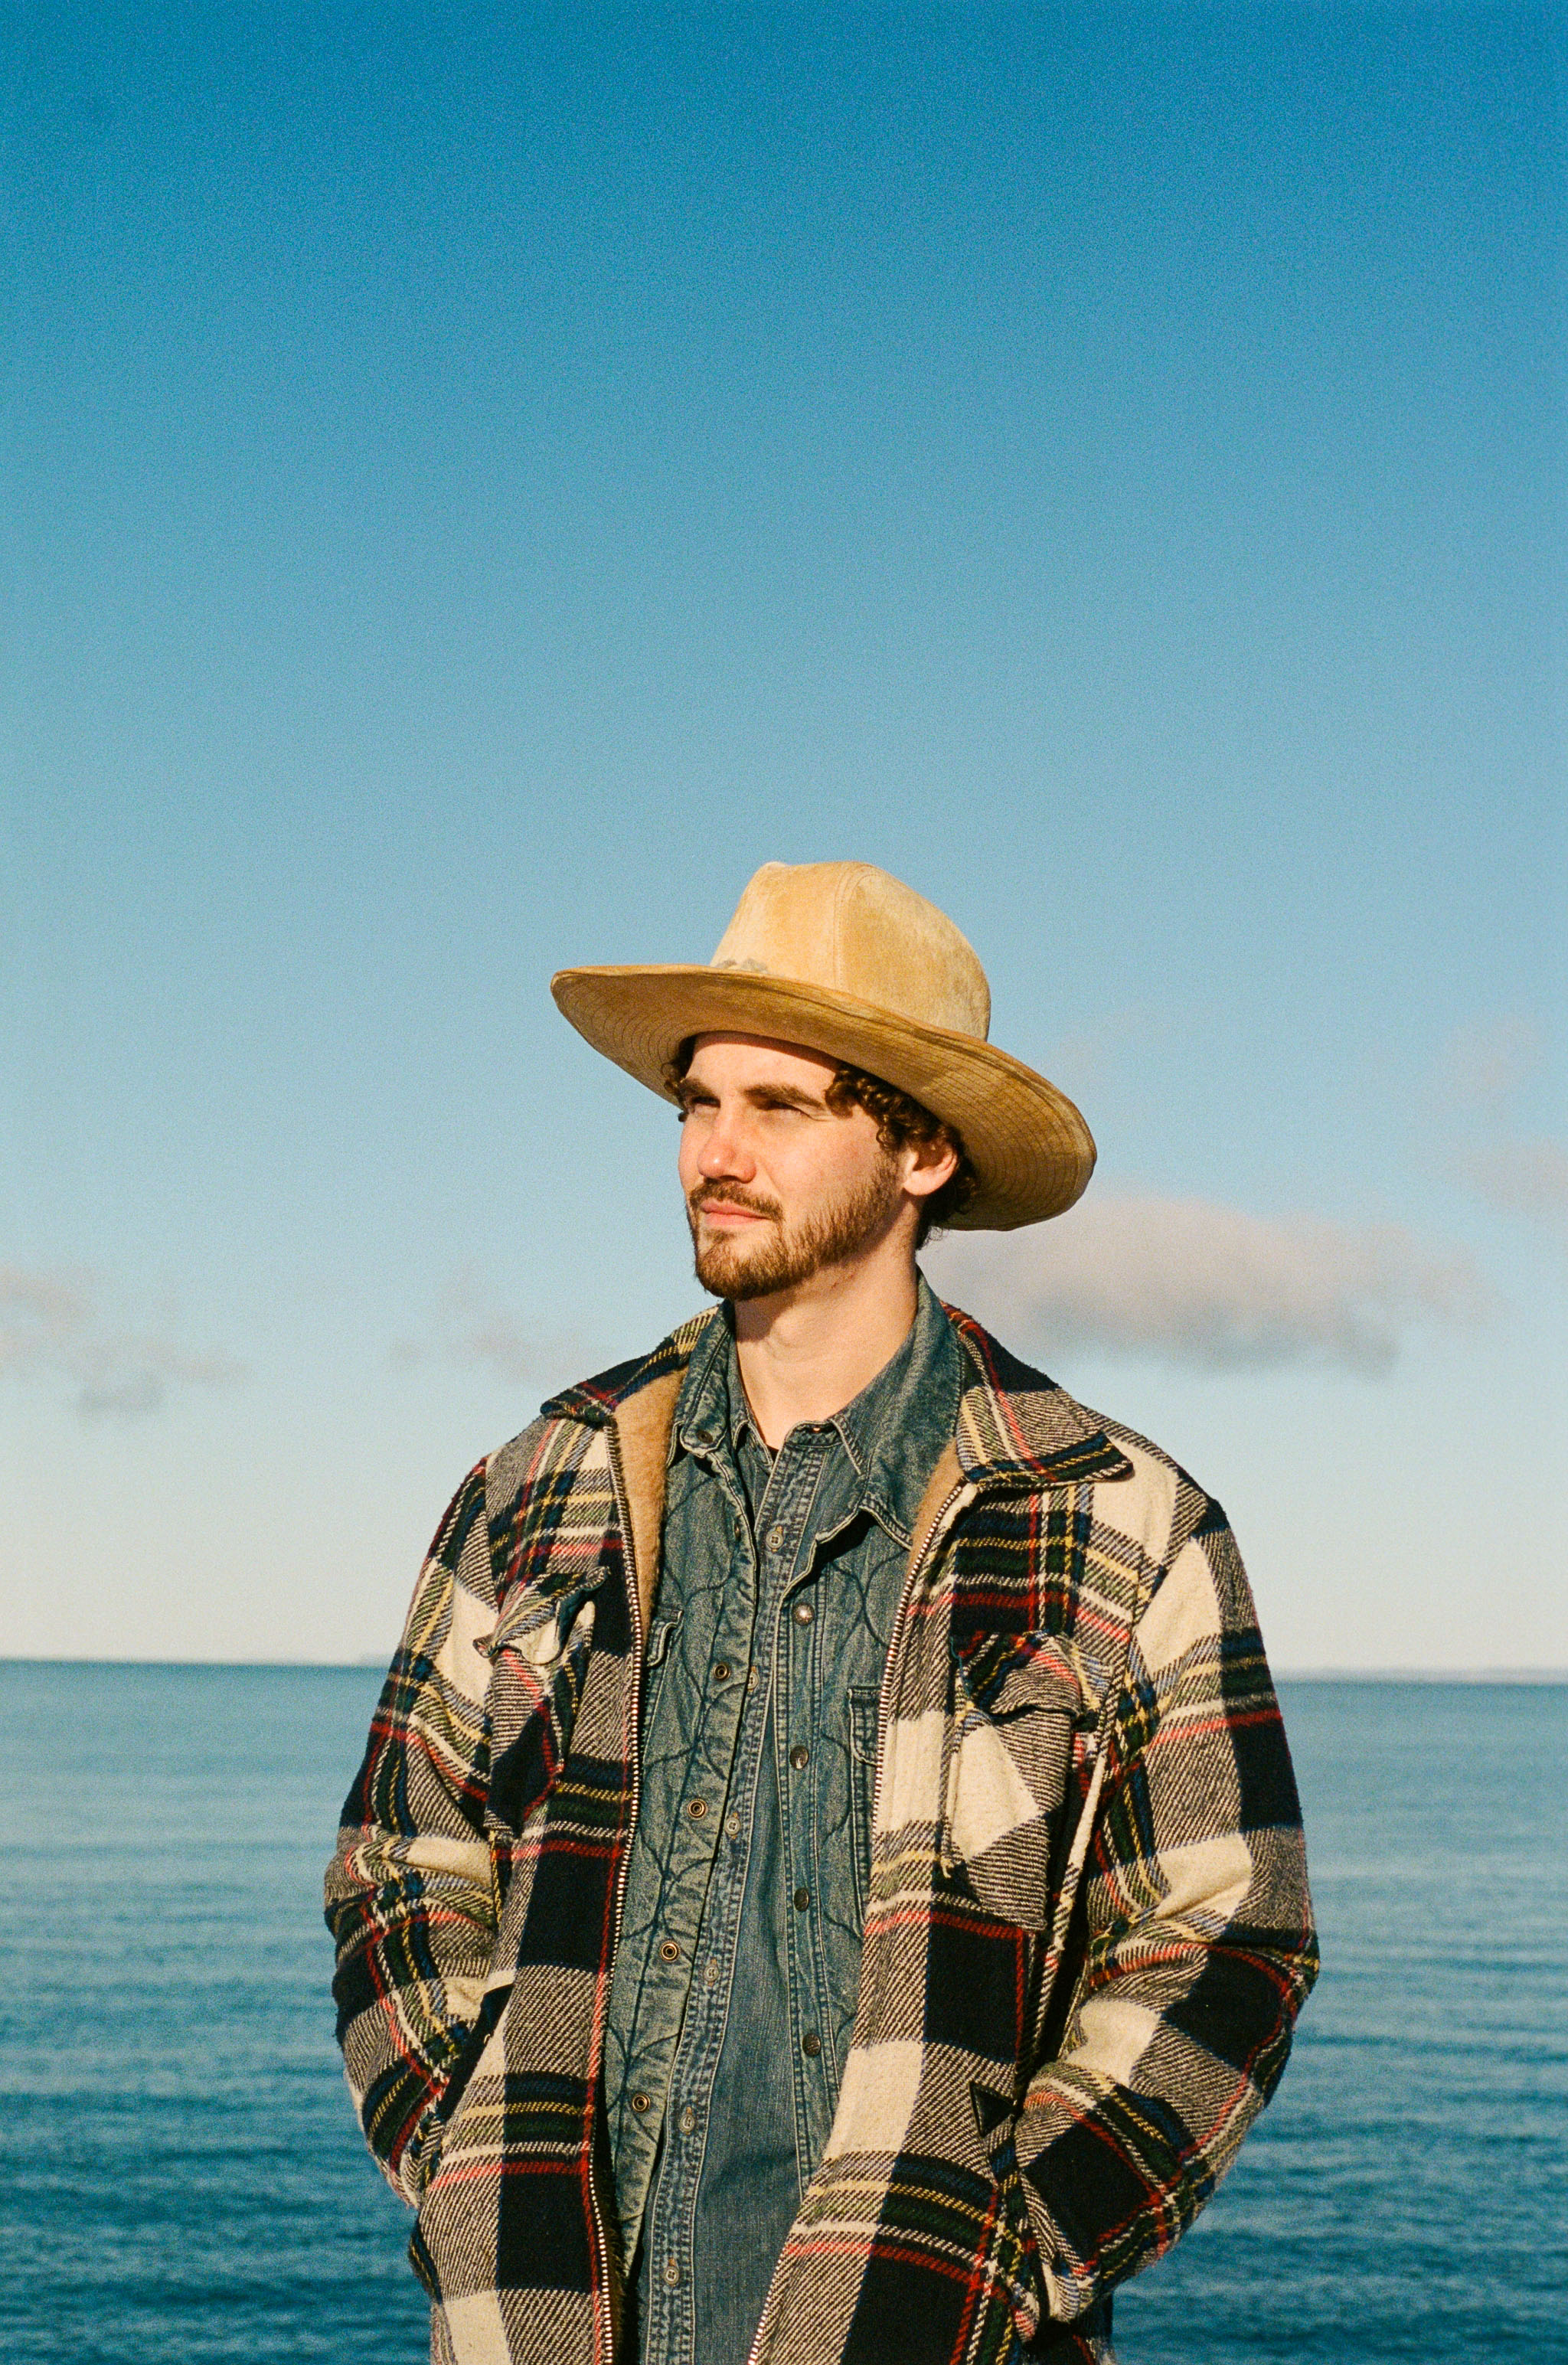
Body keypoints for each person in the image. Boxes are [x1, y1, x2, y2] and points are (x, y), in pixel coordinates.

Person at [326, 860, 1318, 2365]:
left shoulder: (1120, 1523)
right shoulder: (537, 1486)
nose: (712, 1155)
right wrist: (469, 2163)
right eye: (697, 1105)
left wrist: (1002, 2246)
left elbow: (1225, 1936)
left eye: (777, 1108)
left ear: (920, 1149)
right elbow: (399, 1860)